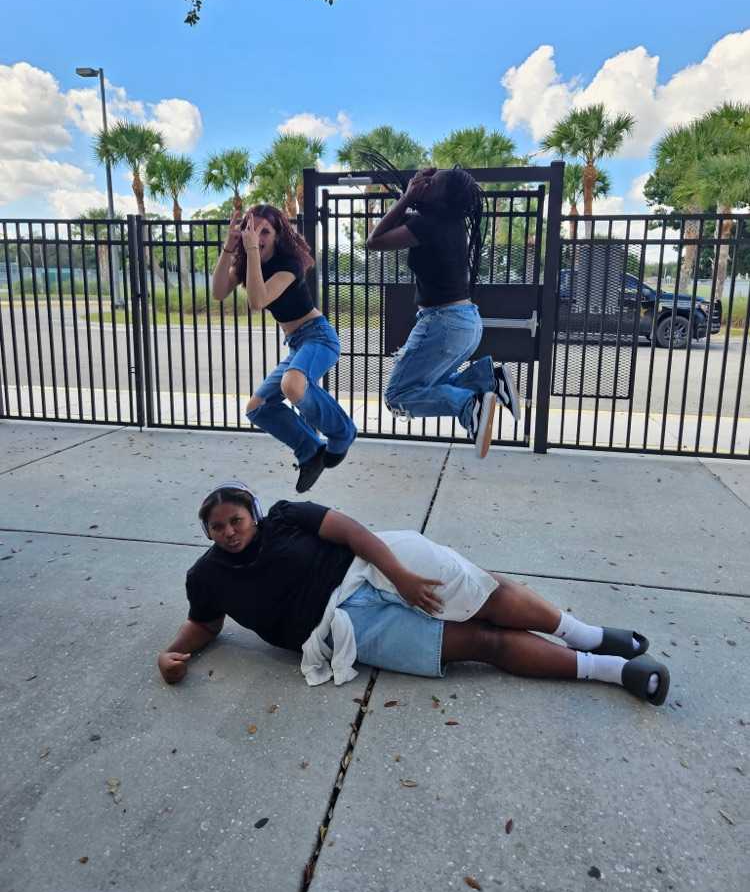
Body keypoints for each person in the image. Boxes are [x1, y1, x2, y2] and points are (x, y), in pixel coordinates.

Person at [157, 482, 670, 707]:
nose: (229, 531)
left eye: (236, 519)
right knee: (480, 643)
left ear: (254, 513)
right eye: (217, 526)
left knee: (485, 592)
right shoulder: (208, 577)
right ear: (208, 533)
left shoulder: (288, 516)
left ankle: (589, 635)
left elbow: (353, 532)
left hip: (372, 562)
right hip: (340, 630)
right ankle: (612, 671)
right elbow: (204, 623)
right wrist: (171, 653)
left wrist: (399, 573)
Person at [360, 150, 521, 460]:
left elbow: (374, 241)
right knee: (427, 384)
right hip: (466, 322)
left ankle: (467, 405)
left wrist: (407, 197)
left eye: (431, 183)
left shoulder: (430, 224)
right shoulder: (447, 222)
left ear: (442, 202)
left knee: (397, 396)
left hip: (444, 322)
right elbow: (390, 225)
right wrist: (414, 191)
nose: (424, 183)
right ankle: (488, 379)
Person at [212, 204, 357, 493]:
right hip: (296, 344)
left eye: (265, 230)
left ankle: (342, 431)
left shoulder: (288, 263)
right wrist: (229, 247)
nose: (257, 235)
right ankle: (311, 451)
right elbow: (218, 292)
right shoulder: (247, 264)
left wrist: (252, 251)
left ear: (278, 236)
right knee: (257, 408)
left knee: (293, 385)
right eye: (251, 229)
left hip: (318, 337)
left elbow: (258, 301)